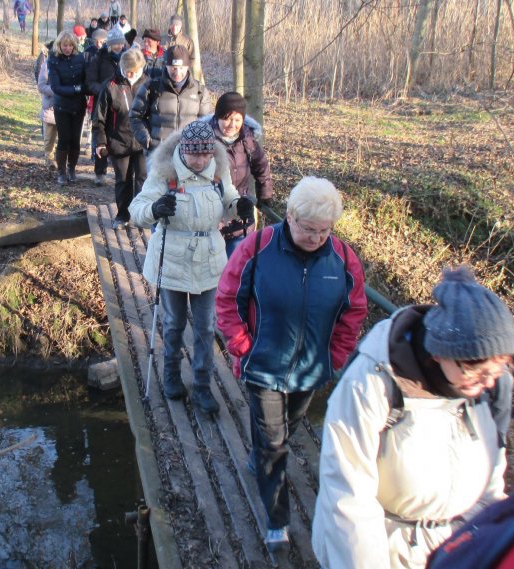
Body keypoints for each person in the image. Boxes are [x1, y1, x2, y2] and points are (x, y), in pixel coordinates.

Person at [311, 265, 514, 569]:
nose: (489, 381)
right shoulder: (371, 384)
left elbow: (492, 480)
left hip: (460, 552)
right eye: (478, 372)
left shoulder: (493, 387)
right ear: (439, 354)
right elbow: (349, 498)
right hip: (390, 552)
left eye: (500, 368)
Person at [215, 177, 368, 552]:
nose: (316, 238)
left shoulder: (344, 260)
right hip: (264, 366)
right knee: (274, 443)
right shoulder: (257, 248)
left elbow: (354, 312)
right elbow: (228, 298)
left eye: (324, 230)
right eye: (308, 229)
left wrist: (334, 356)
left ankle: (260, 454)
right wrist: (243, 346)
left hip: (311, 369)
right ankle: (277, 521)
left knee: (288, 428)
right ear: (289, 216)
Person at [129, 121, 254, 414]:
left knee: (206, 326)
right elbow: (138, 210)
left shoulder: (218, 173)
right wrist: (155, 209)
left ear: (212, 153)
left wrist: (241, 207)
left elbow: (230, 201)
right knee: (173, 323)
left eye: (205, 155)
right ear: (183, 150)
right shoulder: (165, 173)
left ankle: (201, 387)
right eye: (194, 154)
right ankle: (171, 374)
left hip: (209, 259)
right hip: (171, 258)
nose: (199, 160)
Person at [208, 91, 272, 257]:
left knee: (237, 264)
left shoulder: (248, 141)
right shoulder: (206, 141)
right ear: (218, 117)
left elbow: (262, 168)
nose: (231, 124)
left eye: (237, 120)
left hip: (241, 211)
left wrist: (264, 196)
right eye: (227, 118)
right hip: (213, 212)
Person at [94, 48, 147, 227]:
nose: (132, 74)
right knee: (123, 180)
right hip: (118, 141)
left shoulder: (148, 83)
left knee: (142, 178)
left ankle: (140, 215)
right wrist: (101, 142)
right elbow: (99, 119)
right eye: (129, 71)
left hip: (142, 142)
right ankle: (123, 215)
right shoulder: (111, 86)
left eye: (136, 71)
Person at [129, 46, 211, 154]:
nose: (177, 72)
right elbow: (135, 116)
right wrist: (146, 139)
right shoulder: (151, 87)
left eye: (181, 67)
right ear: (166, 66)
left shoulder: (200, 91)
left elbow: (205, 122)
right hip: (158, 153)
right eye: (173, 67)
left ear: (187, 67)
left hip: (188, 154)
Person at [47, 30, 87, 186]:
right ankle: (61, 172)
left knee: (75, 139)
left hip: (78, 106)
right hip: (62, 106)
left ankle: (72, 169)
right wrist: (76, 90)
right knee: (64, 139)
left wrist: (84, 89)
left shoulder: (80, 59)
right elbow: (56, 87)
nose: (68, 48)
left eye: (70, 45)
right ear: (59, 45)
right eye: (65, 45)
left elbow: (86, 81)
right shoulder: (53, 60)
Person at [86, 27, 125, 184]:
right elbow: (89, 83)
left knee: (120, 137)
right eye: (116, 44)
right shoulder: (99, 58)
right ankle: (100, 173)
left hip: (121, 104)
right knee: (101, 138)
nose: (119, 47)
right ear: (109, 44)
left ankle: (120, 172)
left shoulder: (126, 58)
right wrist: (103, 90)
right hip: (102, 104)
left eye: (121, 44)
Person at [37, 55, 57, 171]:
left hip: (65, 107)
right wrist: (56, 90)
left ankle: (62, 161)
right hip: (50, 107)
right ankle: (49, 160)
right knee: (49, 139)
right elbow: (41, 85)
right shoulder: (47, 64)